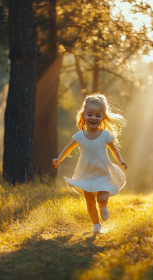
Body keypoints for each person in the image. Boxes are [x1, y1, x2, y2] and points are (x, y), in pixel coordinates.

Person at [52, 93, 128, 234]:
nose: (94, 118)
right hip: (86, 172)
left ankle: (103, 206)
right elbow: (69, 148)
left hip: (103, 170)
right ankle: (96, 225)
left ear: (103, 117)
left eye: (98, 115)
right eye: (90, 114)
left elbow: (114, 149)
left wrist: (121, 161)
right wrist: (58, 159)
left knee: (102, 197)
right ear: (84, 115)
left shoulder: (105, 135)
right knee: (89, 201)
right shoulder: (80, 135)